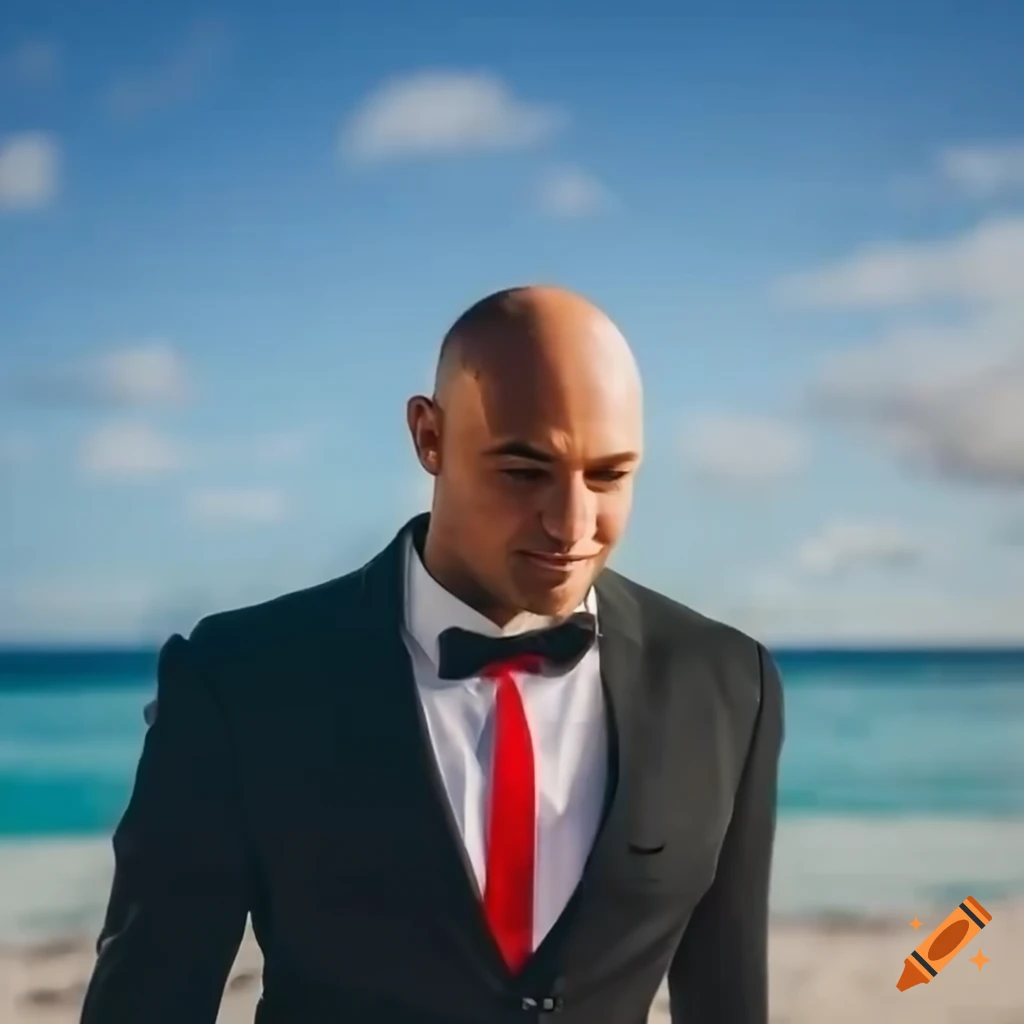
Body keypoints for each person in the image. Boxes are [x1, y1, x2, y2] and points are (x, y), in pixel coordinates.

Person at [80, 285, 784, 1024]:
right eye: (524, 471)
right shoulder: (241, 680)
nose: (572, 523)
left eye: (609, 475)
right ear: (429, 436)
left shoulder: (729, 685)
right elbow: (147, 1000)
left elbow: (729, 1000)